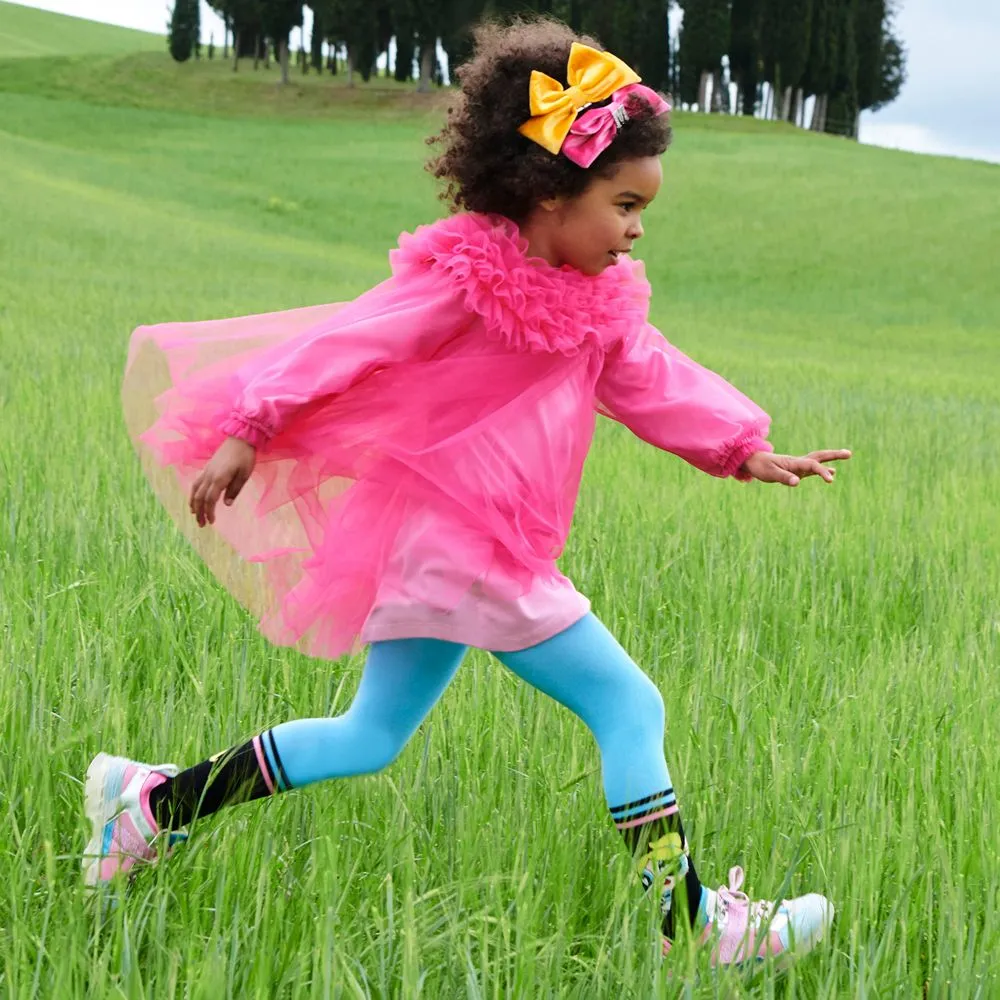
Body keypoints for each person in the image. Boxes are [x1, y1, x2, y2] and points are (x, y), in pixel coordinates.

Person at [87, 17, 850, 971]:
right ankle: (697, 924)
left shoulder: (594, 302)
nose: (636, 227)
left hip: (459, 546)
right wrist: (251, 426)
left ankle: (154, 806)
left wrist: (745, 449)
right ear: (545, 194)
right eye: (622, 202)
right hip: (464, 541)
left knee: (370, 736)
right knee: (630, 706)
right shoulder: (467, 284)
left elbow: (650, 377)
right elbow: (354, 339)